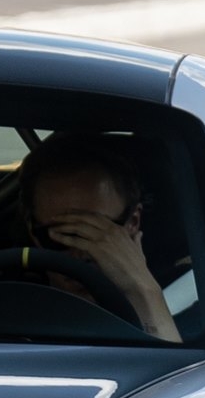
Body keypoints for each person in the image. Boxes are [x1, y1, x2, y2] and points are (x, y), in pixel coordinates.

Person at [19, 142, 180, 340]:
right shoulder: (10, 314)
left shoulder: (191, 302)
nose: (79, 254)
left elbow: (179, 369)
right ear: (33, 232)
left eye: (95, 233)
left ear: (133, 222)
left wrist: (142, 289)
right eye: (61, 235)